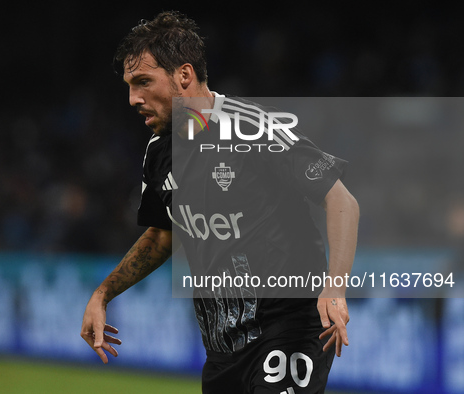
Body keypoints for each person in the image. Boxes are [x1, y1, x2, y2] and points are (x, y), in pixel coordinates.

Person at [81, 11, 359, 393]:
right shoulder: (160, 151)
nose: (133, 99)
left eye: (143, 82)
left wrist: (335, 288)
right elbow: (163, 236)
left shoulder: (252, 128)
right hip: (223, 347)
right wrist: (103, 293)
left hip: (289, 327)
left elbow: (341, 200)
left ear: (184, 74)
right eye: (129, 86)